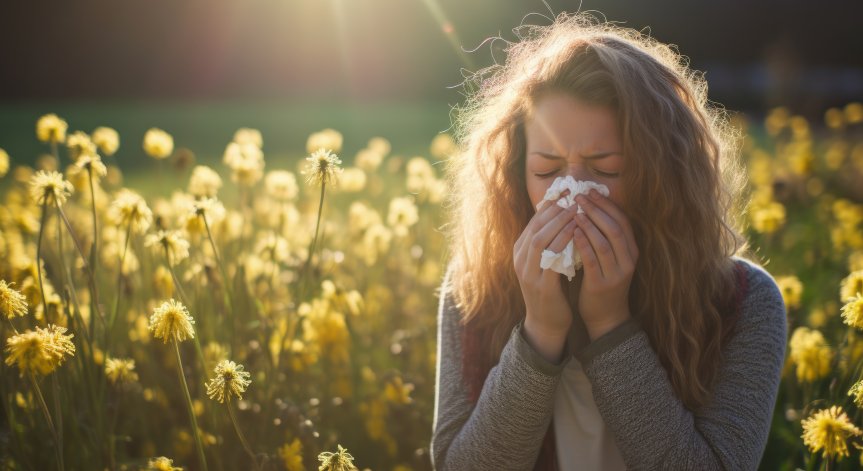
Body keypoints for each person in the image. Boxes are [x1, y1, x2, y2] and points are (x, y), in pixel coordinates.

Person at [430, 11, 787, 471]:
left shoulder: (743, 302)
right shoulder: (474, 288)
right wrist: (540, 333)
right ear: (518, 173)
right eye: (546, 170)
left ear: (663, 176)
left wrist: (610, 325)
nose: (573, 194)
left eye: (606, 170)